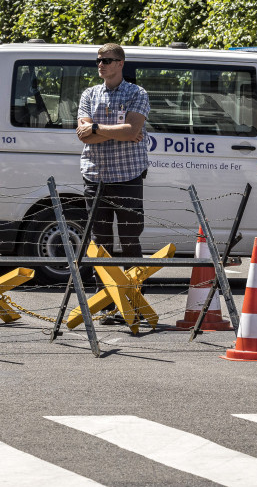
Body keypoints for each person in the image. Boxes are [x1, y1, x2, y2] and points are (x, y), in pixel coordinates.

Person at [76, 43, 150, 318]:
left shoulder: (136, 92)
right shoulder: (89, 94)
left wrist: (96, 127)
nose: (101, 64)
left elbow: (133, 128)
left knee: (130, 240)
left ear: (120, 63)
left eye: (107, 60)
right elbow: (82, 135)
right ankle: (105, 302)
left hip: (128, 175)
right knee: (101, 242)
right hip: (95, 176)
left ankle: (134, 301)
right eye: (98, 60)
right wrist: (117, 132)